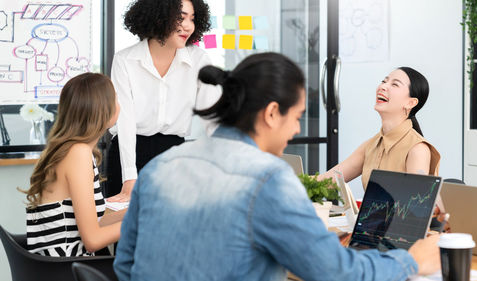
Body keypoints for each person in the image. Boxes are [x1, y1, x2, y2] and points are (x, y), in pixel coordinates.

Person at [113, 53, 440, 281]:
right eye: (296, 117)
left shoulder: (159, 167)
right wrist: (412, 261)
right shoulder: (268, 181)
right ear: (271, 114)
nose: (297, 129)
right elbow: (336, 272)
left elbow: (126, 265)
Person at [106, 0, 219, 202]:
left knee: (170, 228)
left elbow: (212, 116)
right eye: (181, 17)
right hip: (128, 153)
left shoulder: (198, 59)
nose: (188, 26)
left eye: (192, 19)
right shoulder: (125, 60)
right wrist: (129, 176)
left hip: (174, 154)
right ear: (158, 16)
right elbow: (125, 120)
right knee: (125, 228)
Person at [22, 73, 125, 257]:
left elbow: (93, 223)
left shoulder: (72, 150)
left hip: (60, 267)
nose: (119, 104)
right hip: (67, 270)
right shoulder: (78, 153)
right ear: (102, 110)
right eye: (116, 98)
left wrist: (137, 212)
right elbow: (93, 240)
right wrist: (143, 223)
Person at [319, 67, 440, 189]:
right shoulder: (371, 145)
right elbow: (328, 180)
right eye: (384, 81)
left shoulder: (418, 149)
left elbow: (415, 203)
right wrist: (301, 182)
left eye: (395, 84)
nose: (383, 86)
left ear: (411, 103)